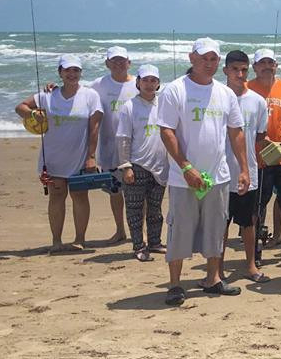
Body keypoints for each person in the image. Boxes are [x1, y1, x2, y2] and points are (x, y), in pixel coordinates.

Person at [158, 37, 250, 306]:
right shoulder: (175, 90)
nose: (208, 64)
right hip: (183, 178)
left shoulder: (225, 93)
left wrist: (244, 169)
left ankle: (213, 278)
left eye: (213, 59)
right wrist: (185, 166)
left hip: (218, 176)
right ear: (192, 58)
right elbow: (166, 131)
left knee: (216, 228)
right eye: (204, 58)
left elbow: (236, 132)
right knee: (180, 229)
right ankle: (175, 284)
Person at [15, 55, 104, 254]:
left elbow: (94, 129)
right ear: (60, 73)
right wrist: (32, 114)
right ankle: (56, 241)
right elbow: (20, 107)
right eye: (67, 70)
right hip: (53, 157)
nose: (72, 74)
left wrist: (91, 156)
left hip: (80, 157)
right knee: (56, 196)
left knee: (80, 196)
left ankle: (80, 239)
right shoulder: (47, 95)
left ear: (81, 73)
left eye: (76, 70)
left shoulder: (90, 96)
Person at [220, 50, 269, 283]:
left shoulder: (258, 102)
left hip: (247, 172)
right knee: (220, 224)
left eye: (244, 70)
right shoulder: (216, 97)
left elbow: (260, 135)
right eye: (235, 70)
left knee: (249, 223)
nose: (240, 74)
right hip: (219, 173)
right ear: (226, 71)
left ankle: (250, 265)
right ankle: (216, 268)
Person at [247, 48, 281, 260]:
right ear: (255, 67)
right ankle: (256, 247)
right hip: (258, 157)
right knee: (259, 203)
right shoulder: (247, 87)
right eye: (262, 63)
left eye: (270, 62)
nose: (267, 66)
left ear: (276, 66)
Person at [116, 64, 168, 262]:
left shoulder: (163, 104)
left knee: (155, 209)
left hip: (160, 166)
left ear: (158, 84)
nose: (149, 84)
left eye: (153, 80)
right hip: (136, 165)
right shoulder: (129, 106)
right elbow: (122, 138)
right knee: (135, 209)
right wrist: (126, 166)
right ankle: (138, 246)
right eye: (145, 80)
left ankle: (155, 242)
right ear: (137, 83)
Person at [89, 46, 138, 244]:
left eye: (122, 60)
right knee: (115, 192)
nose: (118, 64)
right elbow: (78, 96)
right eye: (114, 60)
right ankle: (120, 230)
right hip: (109, 149)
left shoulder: (139, 83)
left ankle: (139, 231)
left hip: (136, 150)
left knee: (137, 195)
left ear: (129, 62)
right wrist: (54, 88)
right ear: (107, 63)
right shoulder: (98, 85)